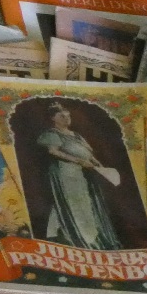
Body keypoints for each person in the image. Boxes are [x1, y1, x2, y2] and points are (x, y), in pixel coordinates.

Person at [36, 103, 124, 250]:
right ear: (53, 118)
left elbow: (88, 153)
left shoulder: (76, 135)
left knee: (87, 204)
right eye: (61, 116)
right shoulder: (52, 133)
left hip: (85, 173)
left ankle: (92, 237)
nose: (66, 119)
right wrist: (78, 161)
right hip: (67, 173)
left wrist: (97, 164)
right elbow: (53, 151)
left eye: (68, 116)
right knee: (75, 204)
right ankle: (80, 238)